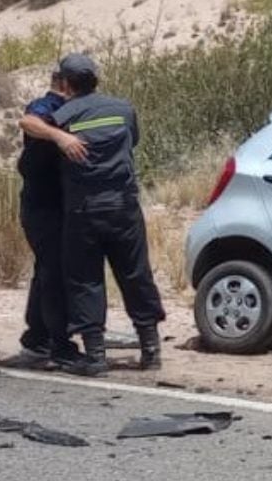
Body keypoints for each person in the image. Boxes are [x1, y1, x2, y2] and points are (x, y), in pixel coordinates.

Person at [19, 54, 166, 377]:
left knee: (86, 281)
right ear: (96, 80)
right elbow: (133, 142)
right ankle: (151, 349)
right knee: (136, 275)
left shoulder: (61, 116)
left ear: (65, 84)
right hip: (125, 207)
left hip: (84, 212)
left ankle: (96, 356)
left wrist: (61, 137)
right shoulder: (123, 109)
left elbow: (30, 131)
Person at [0, 71, 80, 370]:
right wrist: (60, 137)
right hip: (42, 207)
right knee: (52, 273)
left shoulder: (82, 109)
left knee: (50, 272)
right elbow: (28, 122)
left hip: (65, 207)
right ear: (64, 84)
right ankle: (51, 344)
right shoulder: (47, 106)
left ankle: (39, 339)